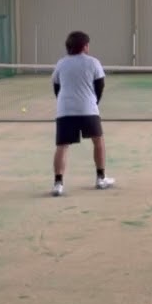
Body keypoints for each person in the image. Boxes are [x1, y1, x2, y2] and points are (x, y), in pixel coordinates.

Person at [50, 31, 114, 197]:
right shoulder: (93, 62)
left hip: (65, 109)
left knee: (62, 146)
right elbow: (100, 85)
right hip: (88, 109)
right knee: (98, 141)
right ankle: (100, 178)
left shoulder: (61, 63)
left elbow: (56, 86)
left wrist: (65, 102)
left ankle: (58, 184)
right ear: (85, 46)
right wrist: (93, 102)